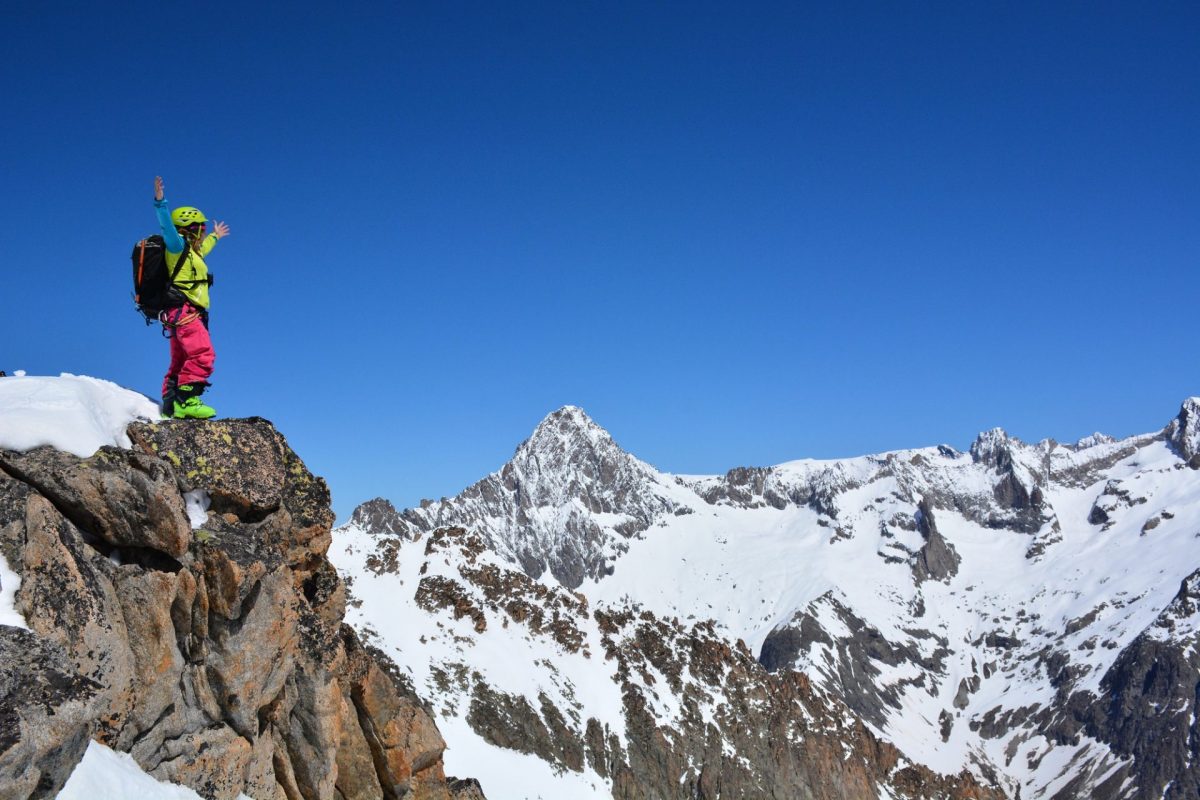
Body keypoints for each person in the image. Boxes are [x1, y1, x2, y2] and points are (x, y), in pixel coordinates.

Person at [153, 176, 230, 419]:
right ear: (189, 228)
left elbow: (203, 249)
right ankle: (186, 401)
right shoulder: (176, 247)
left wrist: (215, 236)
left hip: (179, 314)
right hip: (185, 312)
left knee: (181, 359)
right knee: (202, 353)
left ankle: (169, 406)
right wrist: (160, 202)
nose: (203, 231)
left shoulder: (191, 253)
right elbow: (167, 227)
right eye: (202, 228)